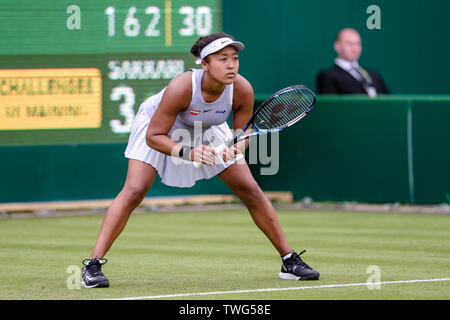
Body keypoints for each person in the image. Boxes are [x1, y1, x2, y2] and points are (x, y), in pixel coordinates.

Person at [81, 32, 320, 288]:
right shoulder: (182, 86)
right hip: (159, 127)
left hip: (206, 127)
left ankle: (289, 261)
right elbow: (154, 136)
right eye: (222, 59)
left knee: (249, 189)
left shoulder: (242, 89)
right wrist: (188, 152)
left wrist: (236, 148)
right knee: (135, 190)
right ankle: (92, 266)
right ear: (204, 64)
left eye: (235, 58)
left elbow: (243, 134)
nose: (231, 65)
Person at [316, 28, 390, 96]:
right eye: (350, 44)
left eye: (358, 44)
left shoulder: (373, 74)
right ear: (337, 46)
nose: (355, 49)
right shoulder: (328, 76)